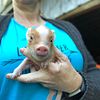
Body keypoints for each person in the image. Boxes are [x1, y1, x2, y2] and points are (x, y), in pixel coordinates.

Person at [0, 0, 100, 100]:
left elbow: (93, 70)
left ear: (53, 37)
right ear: (28, 35)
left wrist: (77, 84)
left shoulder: (68, 28)